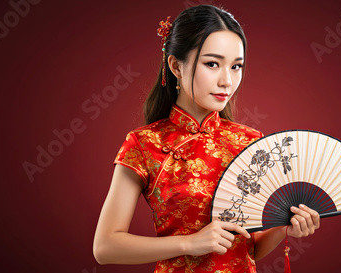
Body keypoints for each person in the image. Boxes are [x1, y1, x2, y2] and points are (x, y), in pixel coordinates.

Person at [93, 4, 320, 272]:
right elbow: (105, 247)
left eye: (236, 66)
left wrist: (284, 228)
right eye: (212, 64)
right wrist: (189, 243)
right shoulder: (144, 143)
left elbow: (249, 249)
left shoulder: (250, 142)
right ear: (176, 66)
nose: (227, 80)